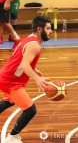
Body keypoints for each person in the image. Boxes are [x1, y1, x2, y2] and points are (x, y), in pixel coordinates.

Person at [0, 15, 52, 143]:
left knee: (10, 101)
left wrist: (34, 69)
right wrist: (37, 79)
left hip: (6, 76)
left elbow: (20, 59)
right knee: (30, 110)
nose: (51, 31)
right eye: (48, 28)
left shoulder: (29, 38)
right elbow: (24, 64)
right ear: (40, 29)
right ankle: (12, 137)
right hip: (11, 81)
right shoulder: (35, 45)